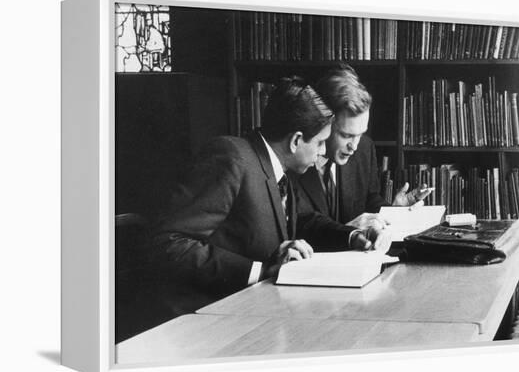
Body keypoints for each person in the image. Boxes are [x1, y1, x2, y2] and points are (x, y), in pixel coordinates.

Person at [152, 77, 376, 312]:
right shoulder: (232, 158)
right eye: (320, 143)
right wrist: (259, 271)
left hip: (255, 308)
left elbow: (305, 220)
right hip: (207, 315)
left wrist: (353, 236)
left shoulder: (278, 168)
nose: (322, 152)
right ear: (296, 141)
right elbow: (170, 243)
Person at [290, 64, 432, 245]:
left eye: (360, 134)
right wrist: (349, 232)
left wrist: (394, 212)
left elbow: (370, 201)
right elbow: (304, 226)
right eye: (346, 135)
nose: (354, 146)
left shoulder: (365, 148)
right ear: (323, 123)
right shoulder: (296, 160)